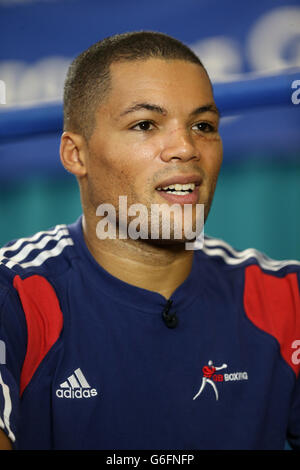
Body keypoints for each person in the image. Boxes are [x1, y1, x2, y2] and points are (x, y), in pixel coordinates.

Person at [0, 31, 299, 451]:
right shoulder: (13, 295)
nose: (186, 147)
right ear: (75, 154)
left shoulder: (287, 297)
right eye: (145, 124)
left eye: (203, 126)